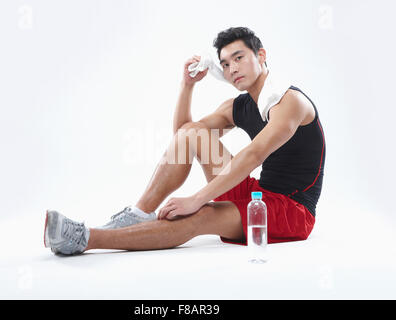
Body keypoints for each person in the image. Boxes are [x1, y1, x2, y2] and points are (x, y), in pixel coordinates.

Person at [43, 27, 325, 255]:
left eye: (239, 58)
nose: (232, 68)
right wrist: (187, 86)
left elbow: (253, 155)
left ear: (261, 55)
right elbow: (183, 135)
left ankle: (84, 238)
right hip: (258, 194)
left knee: (200, 216)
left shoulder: (290, 102)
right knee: (194, 133)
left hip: (291, 210)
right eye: (225, 64)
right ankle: (139, 213)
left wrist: (196, 199)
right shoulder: (237, 106)